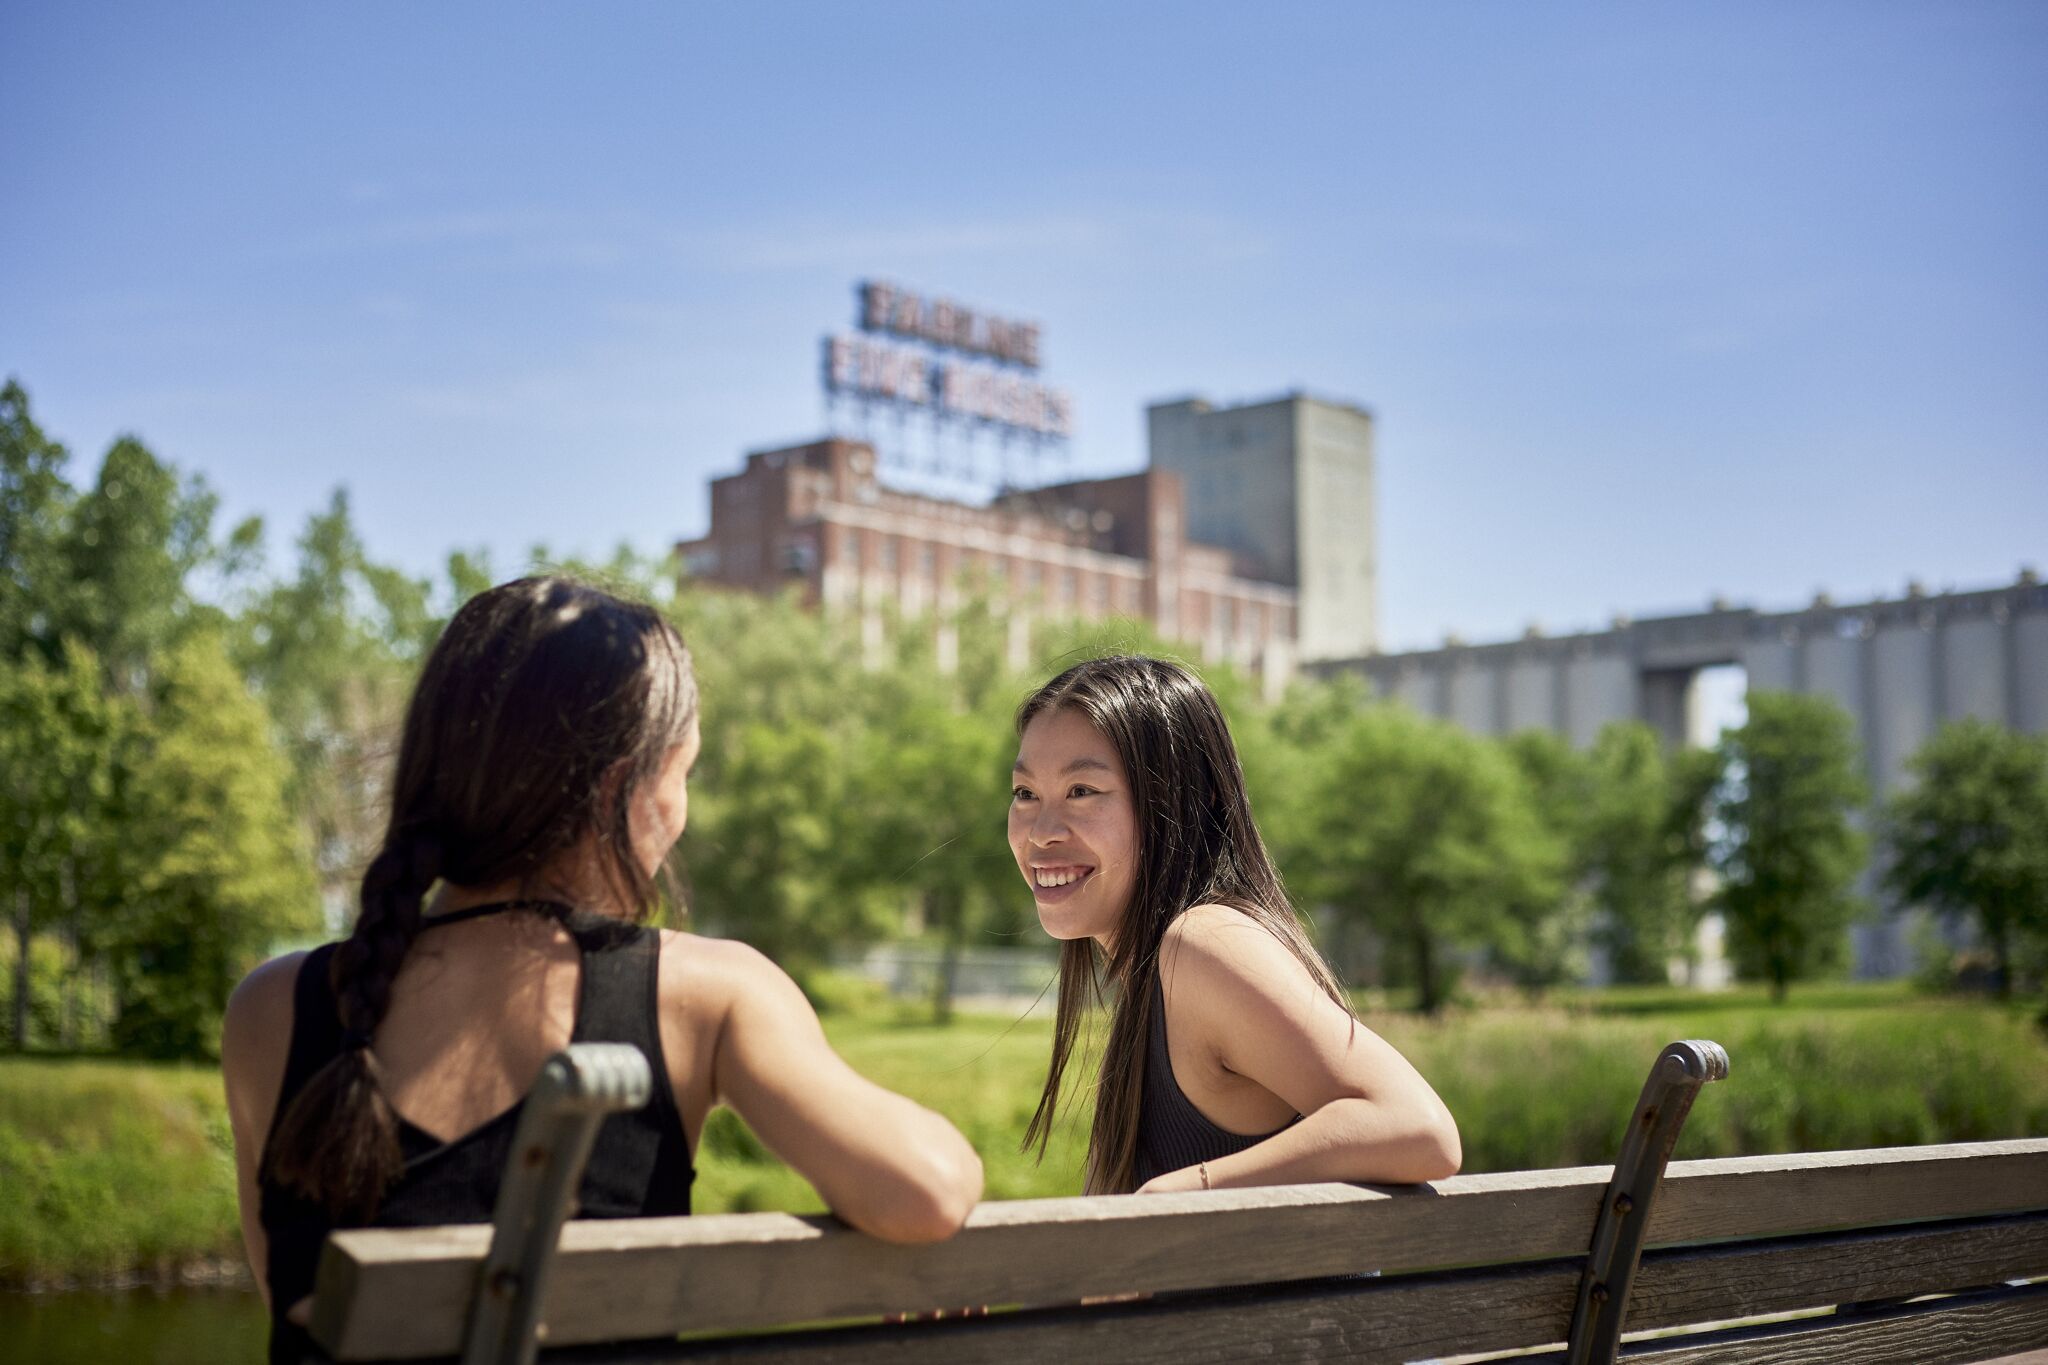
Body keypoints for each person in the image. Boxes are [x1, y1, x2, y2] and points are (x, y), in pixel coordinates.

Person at [222, 577, 982, 1363]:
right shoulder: (705, 994)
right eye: (683, 773)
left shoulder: (272, 1007)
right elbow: (926, 1189)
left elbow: (290, 1299)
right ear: (627, 788)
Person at [1009, 655, 1460, 1196]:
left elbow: (1418, 1128)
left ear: (1174, 804)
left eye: (1082, 790)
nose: (1041, 832)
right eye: (1025, 794)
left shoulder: (1203, 946)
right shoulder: (1153, 975)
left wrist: (1182, 1193)